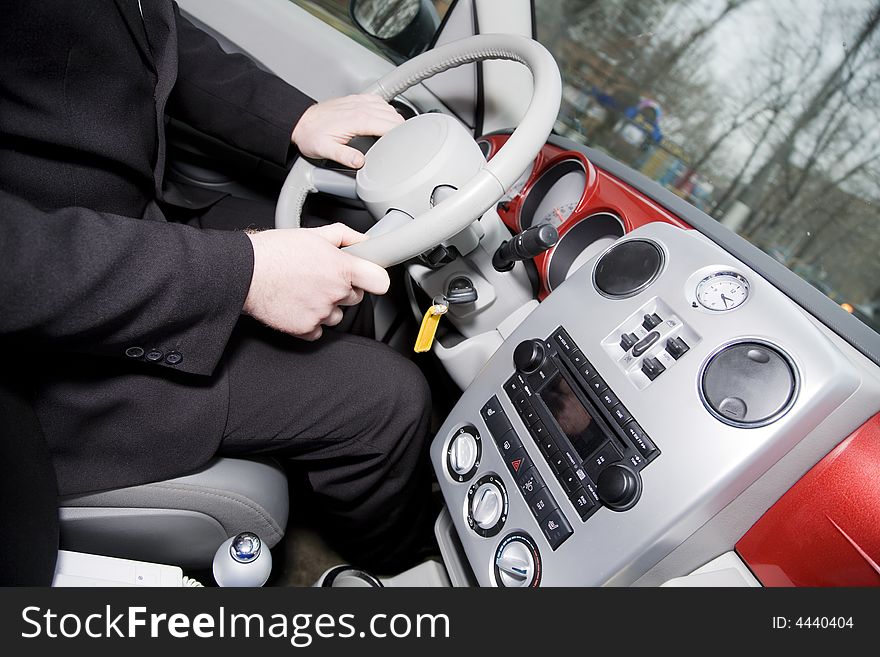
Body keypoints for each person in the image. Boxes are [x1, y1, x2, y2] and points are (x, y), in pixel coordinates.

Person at [0, 0, 434, 573]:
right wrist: (244, 275)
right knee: (388, 402)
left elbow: (145, 32)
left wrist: (295, 118)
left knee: (348, 260)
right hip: (36, 361)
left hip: (105, 232)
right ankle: (402, 564)